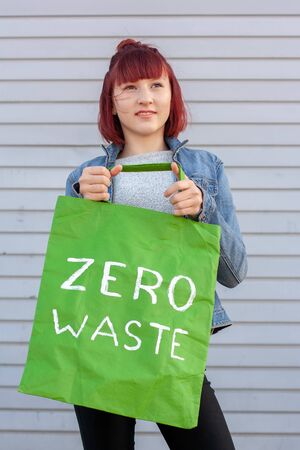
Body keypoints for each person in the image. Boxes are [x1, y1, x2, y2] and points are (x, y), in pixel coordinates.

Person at [65, 38, 248, 450]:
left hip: (172, 344)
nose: (144, 98)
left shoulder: (205, 169)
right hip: (100, 345)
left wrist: (204, 213)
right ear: (111, 104)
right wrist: (82, 204)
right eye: (129, 88)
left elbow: (234, 273)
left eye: (156, 85)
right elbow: (72, 276)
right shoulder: (86, 176)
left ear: (172, 96)